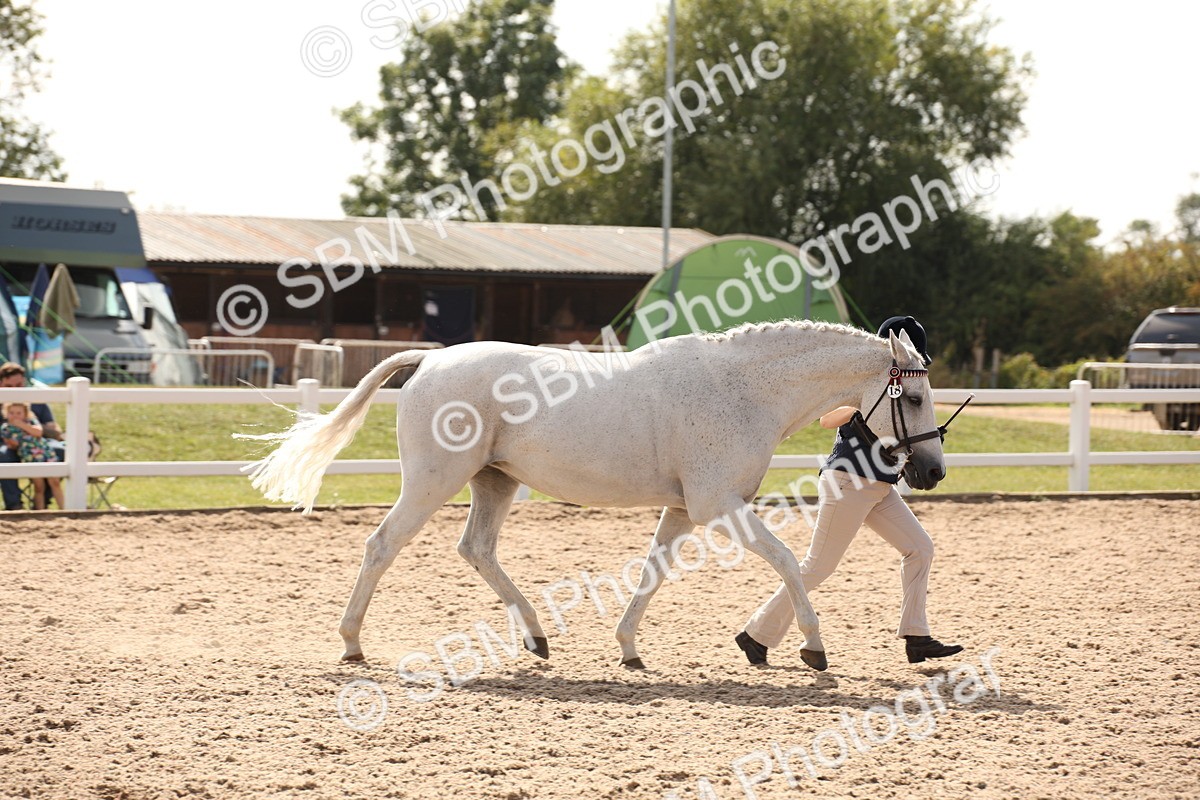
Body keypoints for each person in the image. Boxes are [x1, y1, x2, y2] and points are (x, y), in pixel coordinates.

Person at [735, 316, 963, 666]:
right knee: (818, 566)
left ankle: (916, 636)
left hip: (878, 487)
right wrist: (858, 407)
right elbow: (826, 420)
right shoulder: (862, 390)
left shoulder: (896, 395)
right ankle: (757, 634)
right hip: (848, 482)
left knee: (919, 548)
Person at [0, 362, 63, 510]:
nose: (15, 391)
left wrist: (30, 428)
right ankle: (14, 505)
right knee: (3, 455)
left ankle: (43, 503)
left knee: (59, 450)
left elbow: (55, 431)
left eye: (19, 386)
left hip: (36, 444)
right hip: (8, 445)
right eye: (9, 387)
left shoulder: (35, 400)